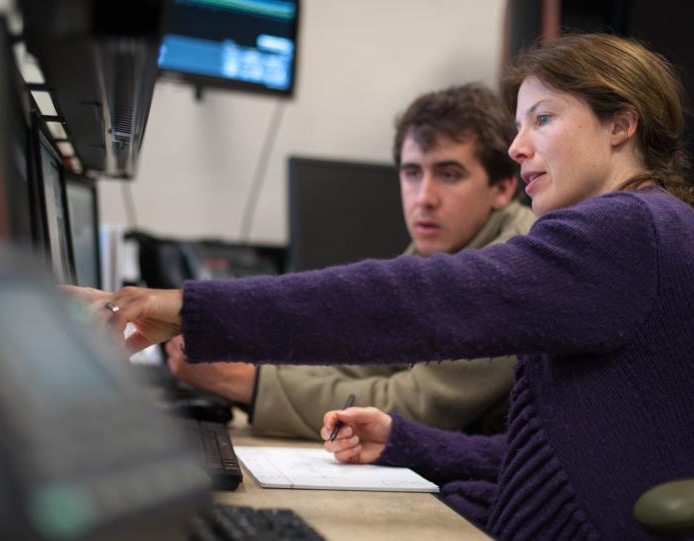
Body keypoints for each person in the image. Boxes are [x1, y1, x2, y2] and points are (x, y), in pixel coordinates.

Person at [69, 34, 694, 540]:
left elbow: (411, 300)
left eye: (543, 120)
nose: (520, 146)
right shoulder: (648, 229)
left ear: (622, 124)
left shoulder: (627, 230)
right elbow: (550, 456)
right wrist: (406, 441)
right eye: (519, 124)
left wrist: (188, 306)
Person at [164, 83, 535, 439]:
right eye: (411, 173)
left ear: (502, 188)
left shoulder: (513, 266)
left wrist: (243, 382)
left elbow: (413, 407)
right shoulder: (444, 248)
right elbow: (364, 356)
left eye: (449, 174)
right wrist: (240, 356)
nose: (424, 197)